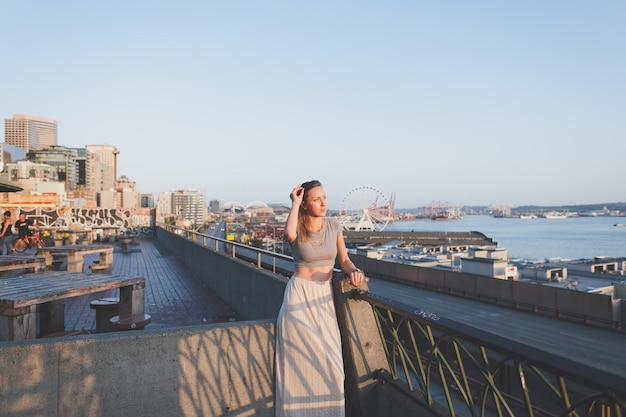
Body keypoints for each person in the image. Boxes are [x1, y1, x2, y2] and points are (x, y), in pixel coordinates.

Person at [275, 180, 364, 417]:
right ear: (305, 204)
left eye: (324, 197)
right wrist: (294, 203)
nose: (323, 203)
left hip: (324, 298)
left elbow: (343, 260)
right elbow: (288, 234)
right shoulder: (297, 225)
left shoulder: (334, 225)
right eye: (316, 199)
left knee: (334, 369)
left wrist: (354, 271)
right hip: (299, 298)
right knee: (298, 368)